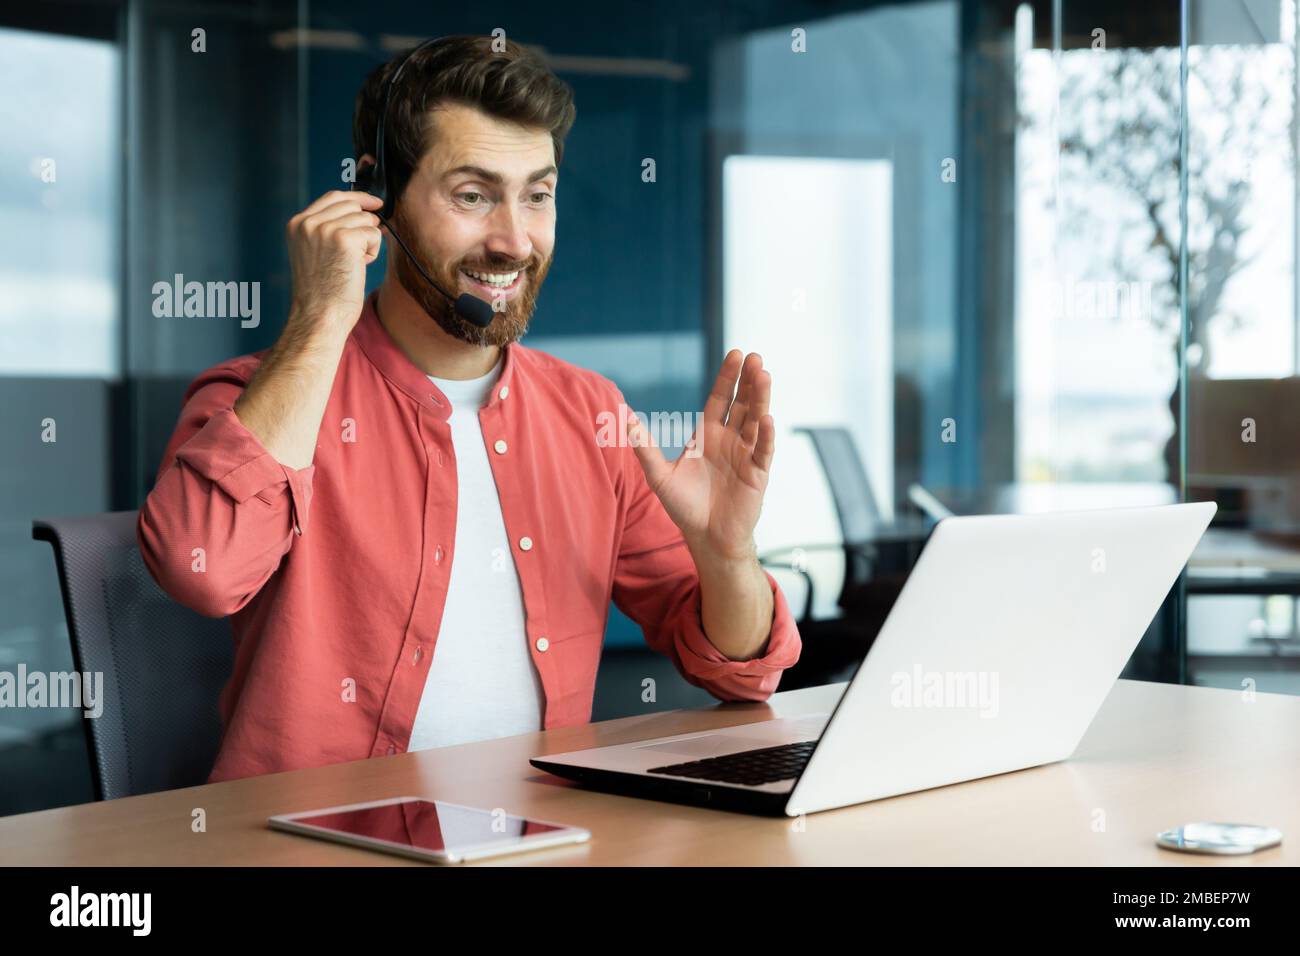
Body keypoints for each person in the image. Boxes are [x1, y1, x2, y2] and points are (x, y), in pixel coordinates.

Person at [137, 35, 801, 783]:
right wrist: (322, 317)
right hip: (310, 843)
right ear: (376, 198)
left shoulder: (588, 410)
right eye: (473, 194)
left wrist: (726, 558)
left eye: (537, 194)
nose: (514, 240)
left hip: (539, 836)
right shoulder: (257, 397)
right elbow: (202, 573)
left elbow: (739, 671)